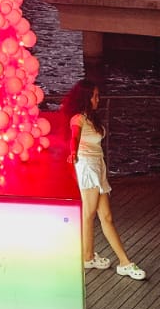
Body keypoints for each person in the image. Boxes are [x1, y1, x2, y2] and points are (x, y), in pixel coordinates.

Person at [62, 78, 146, 278]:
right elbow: (74, 137)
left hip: (98, 168)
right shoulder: (78, 119)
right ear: (86, 97)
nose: (98, 99)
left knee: (106, 217)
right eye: (95, 96)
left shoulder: (92, 118)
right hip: (87, 168)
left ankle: (121, 262)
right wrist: (73, 152)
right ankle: (90, 257)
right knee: (88, 215)